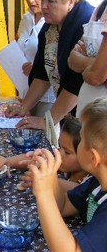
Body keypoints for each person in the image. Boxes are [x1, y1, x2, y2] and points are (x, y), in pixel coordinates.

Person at [5, 0, 93, 131]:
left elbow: (76, 84)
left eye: (51, 1)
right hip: (70, 113)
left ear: (70, 2)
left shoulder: (84, 23)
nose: (43, 6)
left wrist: (48, 121)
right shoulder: (50, 26)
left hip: (88, 115)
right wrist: (23, 107)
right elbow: (42, 72)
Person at [28, 96, 107, 251]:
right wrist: (51, 181)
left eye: (82, 139)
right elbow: (64, 206)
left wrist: (44, 193)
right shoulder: (97, 183)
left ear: (93, 157)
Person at [0, 115, 88, 191]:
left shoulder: (88, 184)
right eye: (60, 147)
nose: (58, 152)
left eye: (67, 152)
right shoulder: (62, 162)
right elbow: (33, 159)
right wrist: (8, 161)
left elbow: (78, 190)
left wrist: (45, 180)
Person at [68, 0, 107, 117]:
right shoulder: (101, 7)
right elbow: (72, 59)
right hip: (89, 109)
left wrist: (90, 69)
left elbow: (95, 77)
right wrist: (94, 64)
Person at [16, 0, 55, 116]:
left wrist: (36, 68)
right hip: (26, 91)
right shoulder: (26, 19)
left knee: (46, 133)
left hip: (46, 95)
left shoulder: (52, 21)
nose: (31, 0)